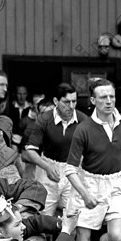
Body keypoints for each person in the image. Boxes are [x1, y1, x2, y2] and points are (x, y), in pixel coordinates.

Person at [64, 79, 121, 241]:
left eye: (112, 96)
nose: (109, 101)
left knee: (117, 237)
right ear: (93, 101)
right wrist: (85, 195)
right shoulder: (83, 129)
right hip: (90, 184)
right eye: (103, 97)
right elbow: (70, 170)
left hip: (117, 182)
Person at [21, 83, 88, 216]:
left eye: (74, 101)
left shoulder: (83, 120)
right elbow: (30, 150)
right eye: (66, 102)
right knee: (44, 215)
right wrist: (47, 167)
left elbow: (92, 149)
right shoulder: (44, 119)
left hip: (73, 169)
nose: (71, 106)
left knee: (73, 216)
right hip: (48, 168)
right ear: (56, 101)